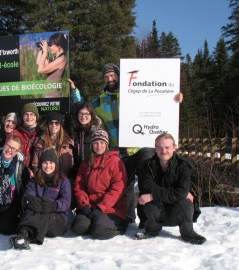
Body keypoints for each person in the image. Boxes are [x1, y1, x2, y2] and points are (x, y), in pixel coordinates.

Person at [70, 63, 183, 226]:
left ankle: (147, 218)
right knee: (125, 184)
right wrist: (75, 92)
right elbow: (84, 109)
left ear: (118, 76)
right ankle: (128, 219)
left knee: (147, 176)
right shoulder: (100, 101)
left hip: (137, 147)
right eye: (106, 77)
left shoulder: (134, 94)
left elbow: (156, 98)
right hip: (117, 149)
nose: (110, 79)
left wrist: (174, 97)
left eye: (112, 75)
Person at [135, 133, 206, 245]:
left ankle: (187, 232)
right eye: (160, 147)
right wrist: (175, 193)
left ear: (174, 147)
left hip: (177, 211)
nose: (163, 151)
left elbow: (181, 192)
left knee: (185, 202)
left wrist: (154, 194)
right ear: (155, 149)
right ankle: (151, 229)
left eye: (167, 147)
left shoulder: (183, 165)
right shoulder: (146, 166)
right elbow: (146, 188)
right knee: (146, 199)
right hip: (155, 212)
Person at [71, 128, 128, 240]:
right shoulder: (86, 163)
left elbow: (118, 188)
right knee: (78, 228)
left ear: (106, 145)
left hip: (111, 207)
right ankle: (95, 222)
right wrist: (84, 204)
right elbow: (79, 185)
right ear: (92, 145)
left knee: (100, 232)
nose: (99, 146)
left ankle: (119, 226)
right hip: (90, 206)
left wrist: (101, 207)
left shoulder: (115, 162)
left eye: (102, 143)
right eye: (96, 143)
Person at [10, 149, 71, 250]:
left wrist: (54, 205)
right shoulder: (35, 180)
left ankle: (32, 236)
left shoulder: (63, 181)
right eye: (45, 163)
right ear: (41, 164)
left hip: (57, 220)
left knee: (48, 214)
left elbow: (66, 201)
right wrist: (31, 201)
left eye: (51, 163)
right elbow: (28, 195)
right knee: (30, 210)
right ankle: (22, 234)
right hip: (38, 213)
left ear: (56, 164)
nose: (48, 166)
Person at [30, 112, 74, 178]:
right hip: (44, 180)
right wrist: (39, 177)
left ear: (60, 125)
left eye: (57, 123)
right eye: (51, 123)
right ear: (48, 125)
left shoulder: (68, 142)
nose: (54, 125)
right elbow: (35, 164)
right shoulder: (40, 142)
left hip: (62, 179)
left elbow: (71, 165)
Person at [67, 102, 102, 179]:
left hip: (92, 171)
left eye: (87, 114)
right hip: (76, 172)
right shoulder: (72, 130)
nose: (83, 116)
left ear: (91, 115)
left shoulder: (97, 132)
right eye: (81, 113)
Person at [13, 102, 42, 167]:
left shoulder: (42, 135)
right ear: (22, 117)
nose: (29, 117)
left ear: (36, 117)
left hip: (36, 174)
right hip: (17, 172)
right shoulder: (14, 134)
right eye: (26, 114)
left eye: (32, 114)